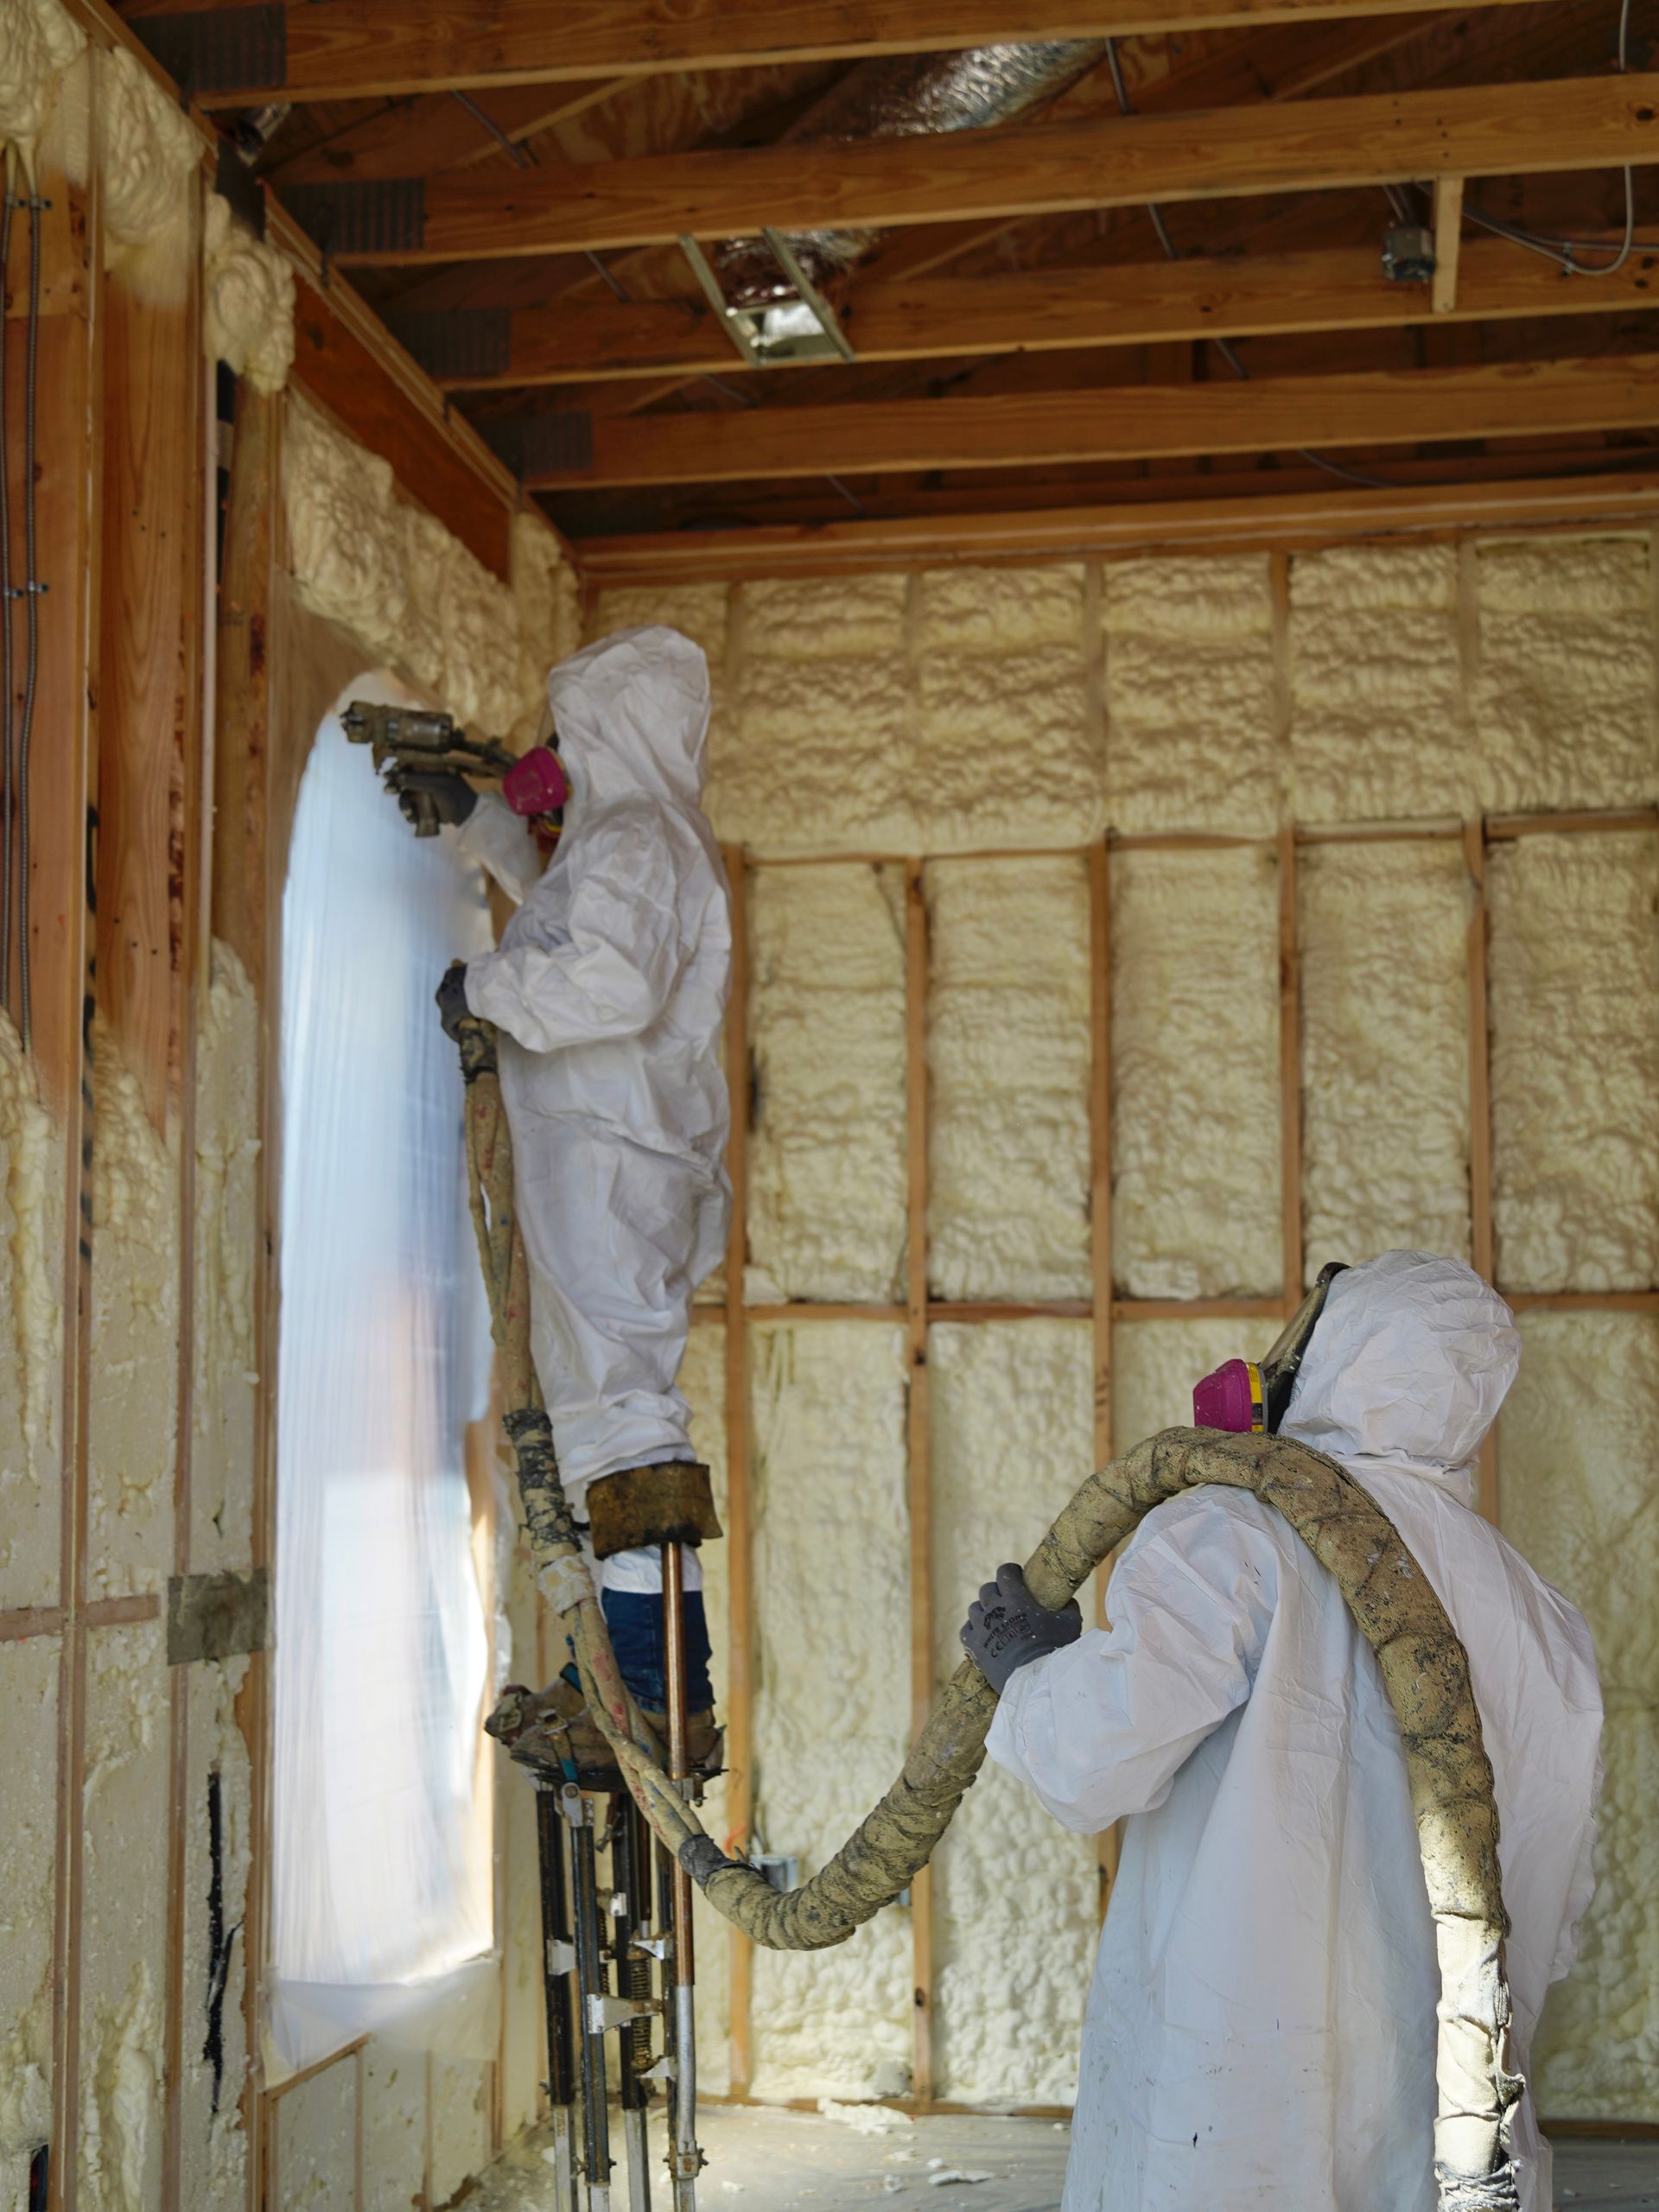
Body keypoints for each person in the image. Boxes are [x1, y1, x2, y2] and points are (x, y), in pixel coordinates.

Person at [962, 1249, 1601, 2212]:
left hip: (1234, 2104)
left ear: (1339, 1351)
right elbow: (1555, 1898)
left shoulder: (1232, 1530)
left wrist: (1029, 1671)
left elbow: (1097, 1754)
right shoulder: (1540, 1615)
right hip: (1442, 2106)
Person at [403, 626, 732, 1723]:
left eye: (571, 730)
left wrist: (482, 990)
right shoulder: (633, 838)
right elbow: (569, 913)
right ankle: (623, 1675)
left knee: (621, 1416)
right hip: (602, 1154)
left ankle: (651, 1684)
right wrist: (483, 821)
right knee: (600, 1413)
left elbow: (607, 980)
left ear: (613, 727)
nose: (556, 754)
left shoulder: (641, 836)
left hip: (611, 1159)